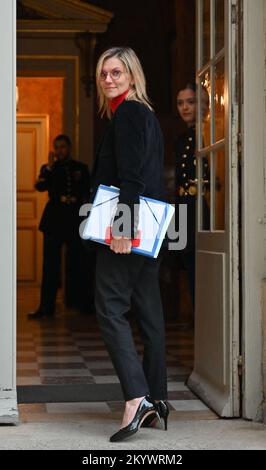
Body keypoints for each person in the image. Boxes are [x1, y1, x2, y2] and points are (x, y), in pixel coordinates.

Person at [89, 47, 169, 442]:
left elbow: (133, 178)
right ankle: (158, 399)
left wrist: (122, 229)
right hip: (150, 231)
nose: (108, 80)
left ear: (132, 76)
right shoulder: (145, 116)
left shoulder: (129, 114)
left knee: (109, 308)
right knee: (150, 315)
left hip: (130, 230)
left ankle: (137, 399)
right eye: (103, 73)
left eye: (116, 72)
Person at [28, 134, 91, 320]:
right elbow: (40, 186)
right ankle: (46, 307)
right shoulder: (49, 169)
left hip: (74, 219)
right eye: (57, 147)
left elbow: (87, 192)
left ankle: (82, 303)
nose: (60, 151)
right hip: (54, 220)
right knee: (50, 266)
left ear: (69, 147)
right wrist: (48, 168)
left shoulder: (81, 168)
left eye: (63, 147)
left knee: (78, 263)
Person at [174, 83, 210, 309]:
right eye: (180, 103)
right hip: (184, 206)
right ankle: (197, 317)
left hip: (203, 205)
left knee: (202, 265)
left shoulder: (208, 132)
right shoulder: (182, 138)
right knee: (187, 262)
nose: (184, 108)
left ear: (204, 105)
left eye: (190, 102)